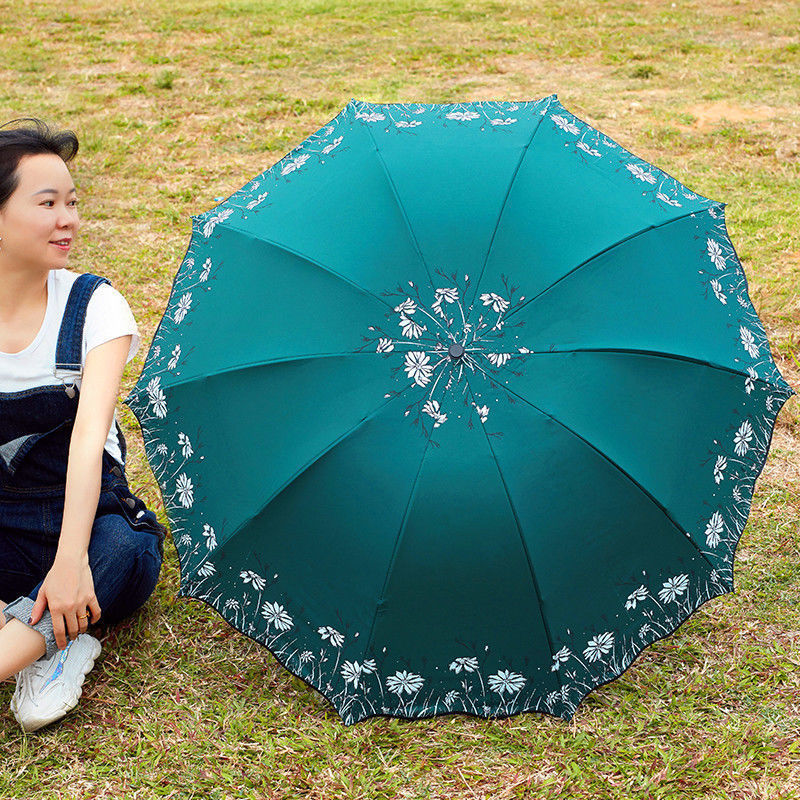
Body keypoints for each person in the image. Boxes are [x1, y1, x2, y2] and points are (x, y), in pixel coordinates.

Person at [0, 118, 165, 732]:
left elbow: (88, 443)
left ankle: (35, 635)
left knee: (125, 551)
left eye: (72, 202)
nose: (68, 219)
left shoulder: (94, 306)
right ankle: (49, 637)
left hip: (87, 518)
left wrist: (70, 559)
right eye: (48, 204)